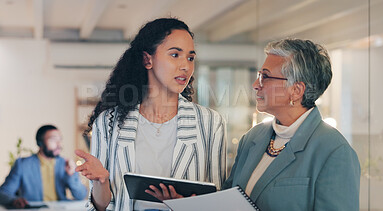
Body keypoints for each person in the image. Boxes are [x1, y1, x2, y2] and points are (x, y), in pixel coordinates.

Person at [75, 18, 226, 211]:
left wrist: (183, 205)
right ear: (148, 60)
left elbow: (219, 201)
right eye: (175, 55)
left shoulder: (210, 123)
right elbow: (100, 207)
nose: (185, 66)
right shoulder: (108, 123)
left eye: (190, 58)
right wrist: (102, 181)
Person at [222, 39, 360, 210]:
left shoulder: (334, 151)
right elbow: (227, 199)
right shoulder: (252, 138)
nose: (256, 85)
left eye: (265, 76)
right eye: (259, 76)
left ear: (296, 90)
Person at [0, 125, 87, 209]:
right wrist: (14, 200)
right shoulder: (22, 164)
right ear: (40, 142)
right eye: (53, 140)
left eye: (60, 140)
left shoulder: (66, 164)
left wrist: (70, 175)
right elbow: (3, 193)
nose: (59, 144)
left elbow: (81, 195)